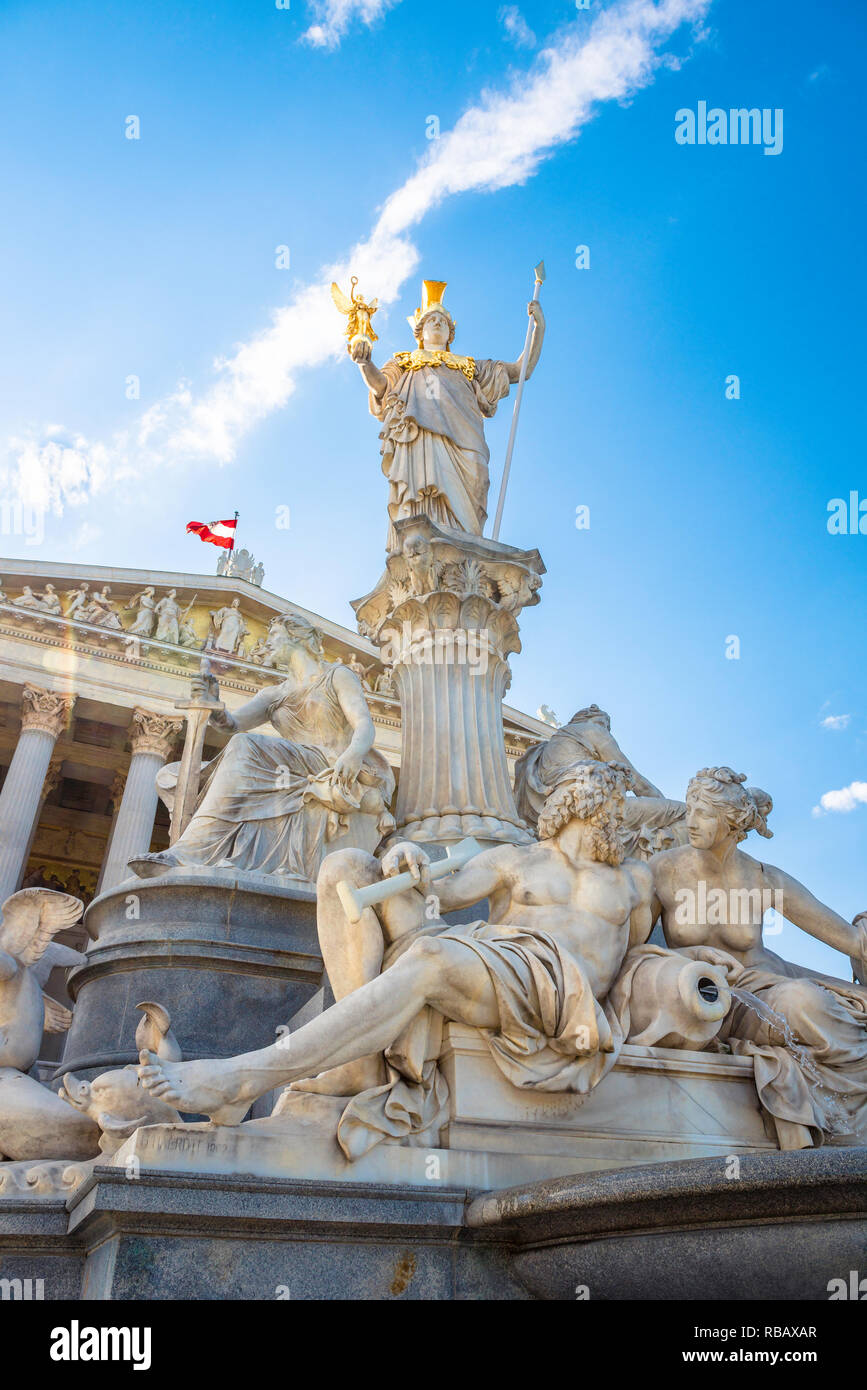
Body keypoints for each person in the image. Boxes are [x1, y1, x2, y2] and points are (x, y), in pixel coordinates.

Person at [137, 761, 657, 1150]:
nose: (601, 808)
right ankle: (361, 1064)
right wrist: (399, 858)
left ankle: (243, 1078)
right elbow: (440, 895)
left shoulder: (633, 878)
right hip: (498, 958)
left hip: (556, 993)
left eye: (599, 798)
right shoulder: (514, 858)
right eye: (592, 796)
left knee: (431, 954)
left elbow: (636, 957)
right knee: (347, 866)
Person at [652, 766, 867, 1148]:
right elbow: (633, 951)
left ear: (732, 821)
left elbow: (850, 940)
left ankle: (851, 1122)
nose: (691, 821)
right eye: (689, 810)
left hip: (764, 988)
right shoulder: (662, 871)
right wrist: (691, 953)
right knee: (804, 1003)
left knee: (806, 1001)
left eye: (702, 813)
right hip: (703, 994)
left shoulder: (763, 877)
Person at [129, 612, 394, 886]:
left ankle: (192, 851)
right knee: (177, 773)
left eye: (275, 636)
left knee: (246, 746)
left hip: (330, 762)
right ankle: (203, 850)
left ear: (297, 638)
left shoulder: (337, 675)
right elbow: (232, 724)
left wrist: (353, 754)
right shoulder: (274, 694)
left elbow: (364, 723)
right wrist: (213, 704)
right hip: (293, 766)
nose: (267, 643)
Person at [352, 280, 544, 551]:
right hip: (421, 440)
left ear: (451, 332)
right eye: (431, 320)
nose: (438, 324)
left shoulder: (469, 367)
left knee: (476, 483)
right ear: (420, 331)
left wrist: (538, 328)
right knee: (422, 500)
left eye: (443, 320)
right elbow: (381, 386)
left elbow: (520, 370)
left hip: (466, 442)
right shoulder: (404, 362)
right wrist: (364, 363)